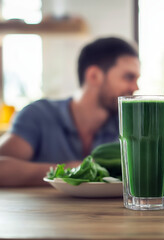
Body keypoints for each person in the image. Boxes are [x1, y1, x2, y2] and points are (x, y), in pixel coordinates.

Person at [0, 37, 140, 187]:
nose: (135, 87)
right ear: (94, 75)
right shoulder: (38, 115)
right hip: (46, 210)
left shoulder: (130, 126)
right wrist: (71, 170)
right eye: (129, 77)